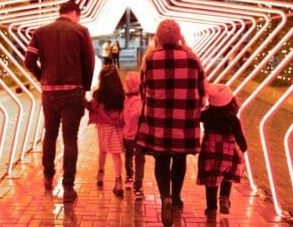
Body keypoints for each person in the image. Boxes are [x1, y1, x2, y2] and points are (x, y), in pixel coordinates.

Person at [136, 19, 206, 226]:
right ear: (178, 36)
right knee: (180, 158)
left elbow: (142, 90)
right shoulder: (193, 59)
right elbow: (202, 92)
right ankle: (176, 197)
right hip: (184, 122)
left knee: (161, 159)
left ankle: (165, 196)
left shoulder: (150, 59)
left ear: (158, 36)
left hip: (158, 122)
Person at [24, 1, 95, 203]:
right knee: (70, 139)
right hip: (73, 91)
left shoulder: (40, 32)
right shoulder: (81, 31)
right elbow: (88, 63)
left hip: (49, 93)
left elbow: (28, 61)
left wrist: (43, 77)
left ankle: (48, 176)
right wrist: (85, 88)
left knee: (50, 134)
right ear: (75, 13)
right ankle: (68, 188)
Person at [197, 83, 247, 222]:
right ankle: (224, 198)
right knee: (227, 177)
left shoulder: (206, 115)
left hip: (210, 152)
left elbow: (194, 117)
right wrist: (242, 151)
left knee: (211, 181)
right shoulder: (233, 119)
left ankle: (211, 209)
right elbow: (242, 142)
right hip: (228, 154)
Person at [84, 65, 125, 197]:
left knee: (103, 151)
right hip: (117, 127)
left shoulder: (99, 93)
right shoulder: (120, 93)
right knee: (116, 154)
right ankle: (119, 182)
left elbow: (99, 110)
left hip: (104, 127)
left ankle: (100, 174)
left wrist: (109, 121)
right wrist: (116, 120)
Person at [122, 71, 146, 200]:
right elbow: (137, 115)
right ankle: (137, 186)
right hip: (138, 135)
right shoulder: (139, 100)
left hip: (127, 134)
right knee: (139, 159)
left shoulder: (126, 99)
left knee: (129, 154)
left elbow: (124, 116)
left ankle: (129, 176)